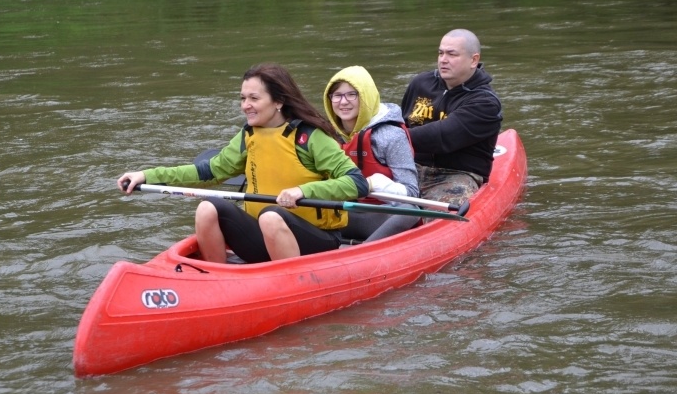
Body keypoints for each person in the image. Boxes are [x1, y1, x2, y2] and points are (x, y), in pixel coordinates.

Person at [117, 63, 368, 264]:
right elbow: (209, 171)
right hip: (266, 235)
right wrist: (147, 175)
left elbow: (356, 183)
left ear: (278, 101)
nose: (245, 105)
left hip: (315, 240)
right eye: (243, 98)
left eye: (254, 98)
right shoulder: (249, 135)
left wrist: (303, 191)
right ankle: (218, 279)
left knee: (270, 216)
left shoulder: (310, 137)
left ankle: (292, 283)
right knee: (208, 208)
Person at [400, 28, 503, 207]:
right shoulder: (420, 83)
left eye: (452, 54)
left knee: (437, 214)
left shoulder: (485, 102)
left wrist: (391, 137)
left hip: (457, 175)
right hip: (412, 168)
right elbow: (403, 122)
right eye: (440, 53)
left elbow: (443, 136)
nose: (443, 60)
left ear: (473, 60)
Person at [323, 65, 421, 241]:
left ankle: (363, 253)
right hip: (345, 212)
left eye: (352, 94)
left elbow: (412, 193)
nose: (343, 102)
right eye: (337, 95)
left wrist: (373, 183)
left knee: (410, 211)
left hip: (382, 216)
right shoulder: (326, 134)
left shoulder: (389, 135)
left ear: (366, 96)